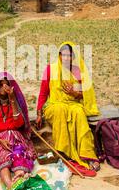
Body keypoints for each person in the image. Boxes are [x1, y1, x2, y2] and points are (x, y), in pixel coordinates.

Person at [36, 41, 101, 177]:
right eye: (63, 55)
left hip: (73, 104)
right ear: (59, 55)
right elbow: (43, 93)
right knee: (60, 110)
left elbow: (85, 92)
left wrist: (74, 93)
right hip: (55, 104)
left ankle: (87, 155)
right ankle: (65, 153)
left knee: (78, 113)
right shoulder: (50, 69)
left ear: (73, 56)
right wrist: (38, 113)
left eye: (69, 55)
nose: (66, 58)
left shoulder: (78, 71)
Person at [0, 72, 36, 189]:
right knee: (3, 157)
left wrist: (12, 99)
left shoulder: (14, 103)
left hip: (15, 136)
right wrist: (0, 141)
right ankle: (10, 185)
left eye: (7, 85)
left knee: (19, 154)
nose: (4, 88)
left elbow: (18, 123)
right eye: (1, 85)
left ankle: (19, 179)